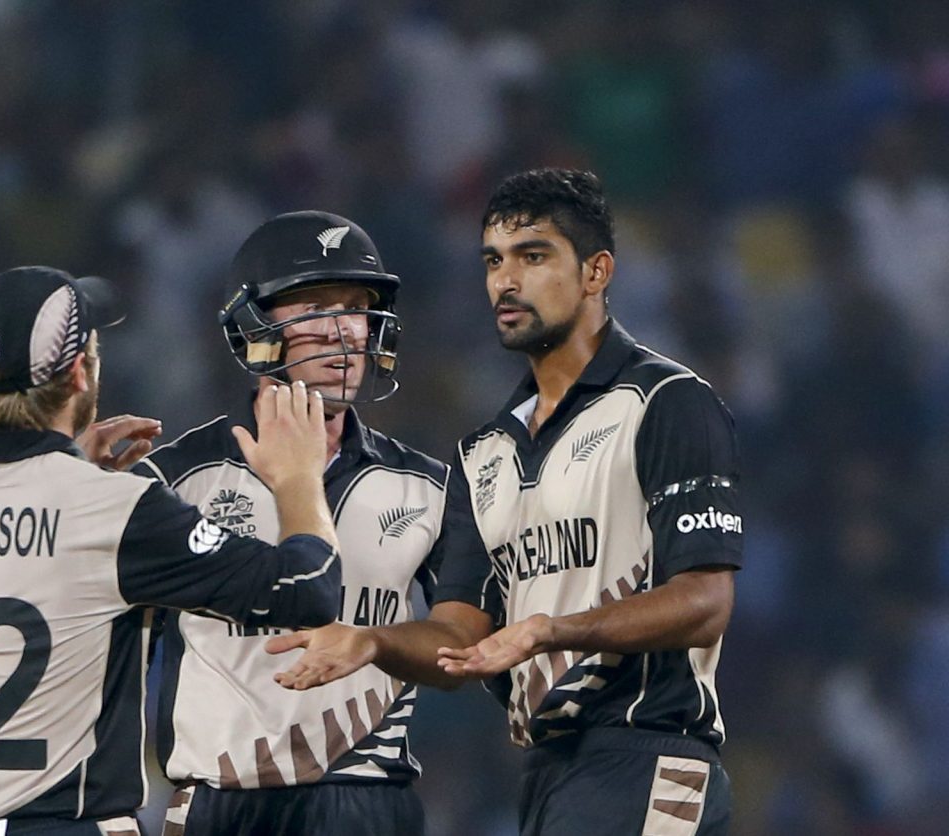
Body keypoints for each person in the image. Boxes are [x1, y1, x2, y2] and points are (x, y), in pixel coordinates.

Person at [269, 170, 742, 835]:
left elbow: (705, 600)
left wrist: (553, 629)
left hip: (651, 749)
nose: (505, 281)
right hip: (549, 771)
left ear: (596, 272)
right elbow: (459, 638)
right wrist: (371, 641)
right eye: (494, 260)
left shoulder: (666, 403)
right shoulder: (483, 453)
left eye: (534, 256)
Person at [0, 266, 344, 836]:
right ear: (77, 372)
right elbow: (308, 588)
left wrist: (69, 475)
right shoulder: (117, 510)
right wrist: (299, 479)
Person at [134, 212, 450, 835]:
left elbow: (468, 648)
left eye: (357, 308)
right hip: (220, 799)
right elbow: (109, 657)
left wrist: (378, 643)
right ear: (255, 328)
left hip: (371, 799)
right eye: (314, 307)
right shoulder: (170, 481)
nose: (343, 333)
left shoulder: (432, 487)